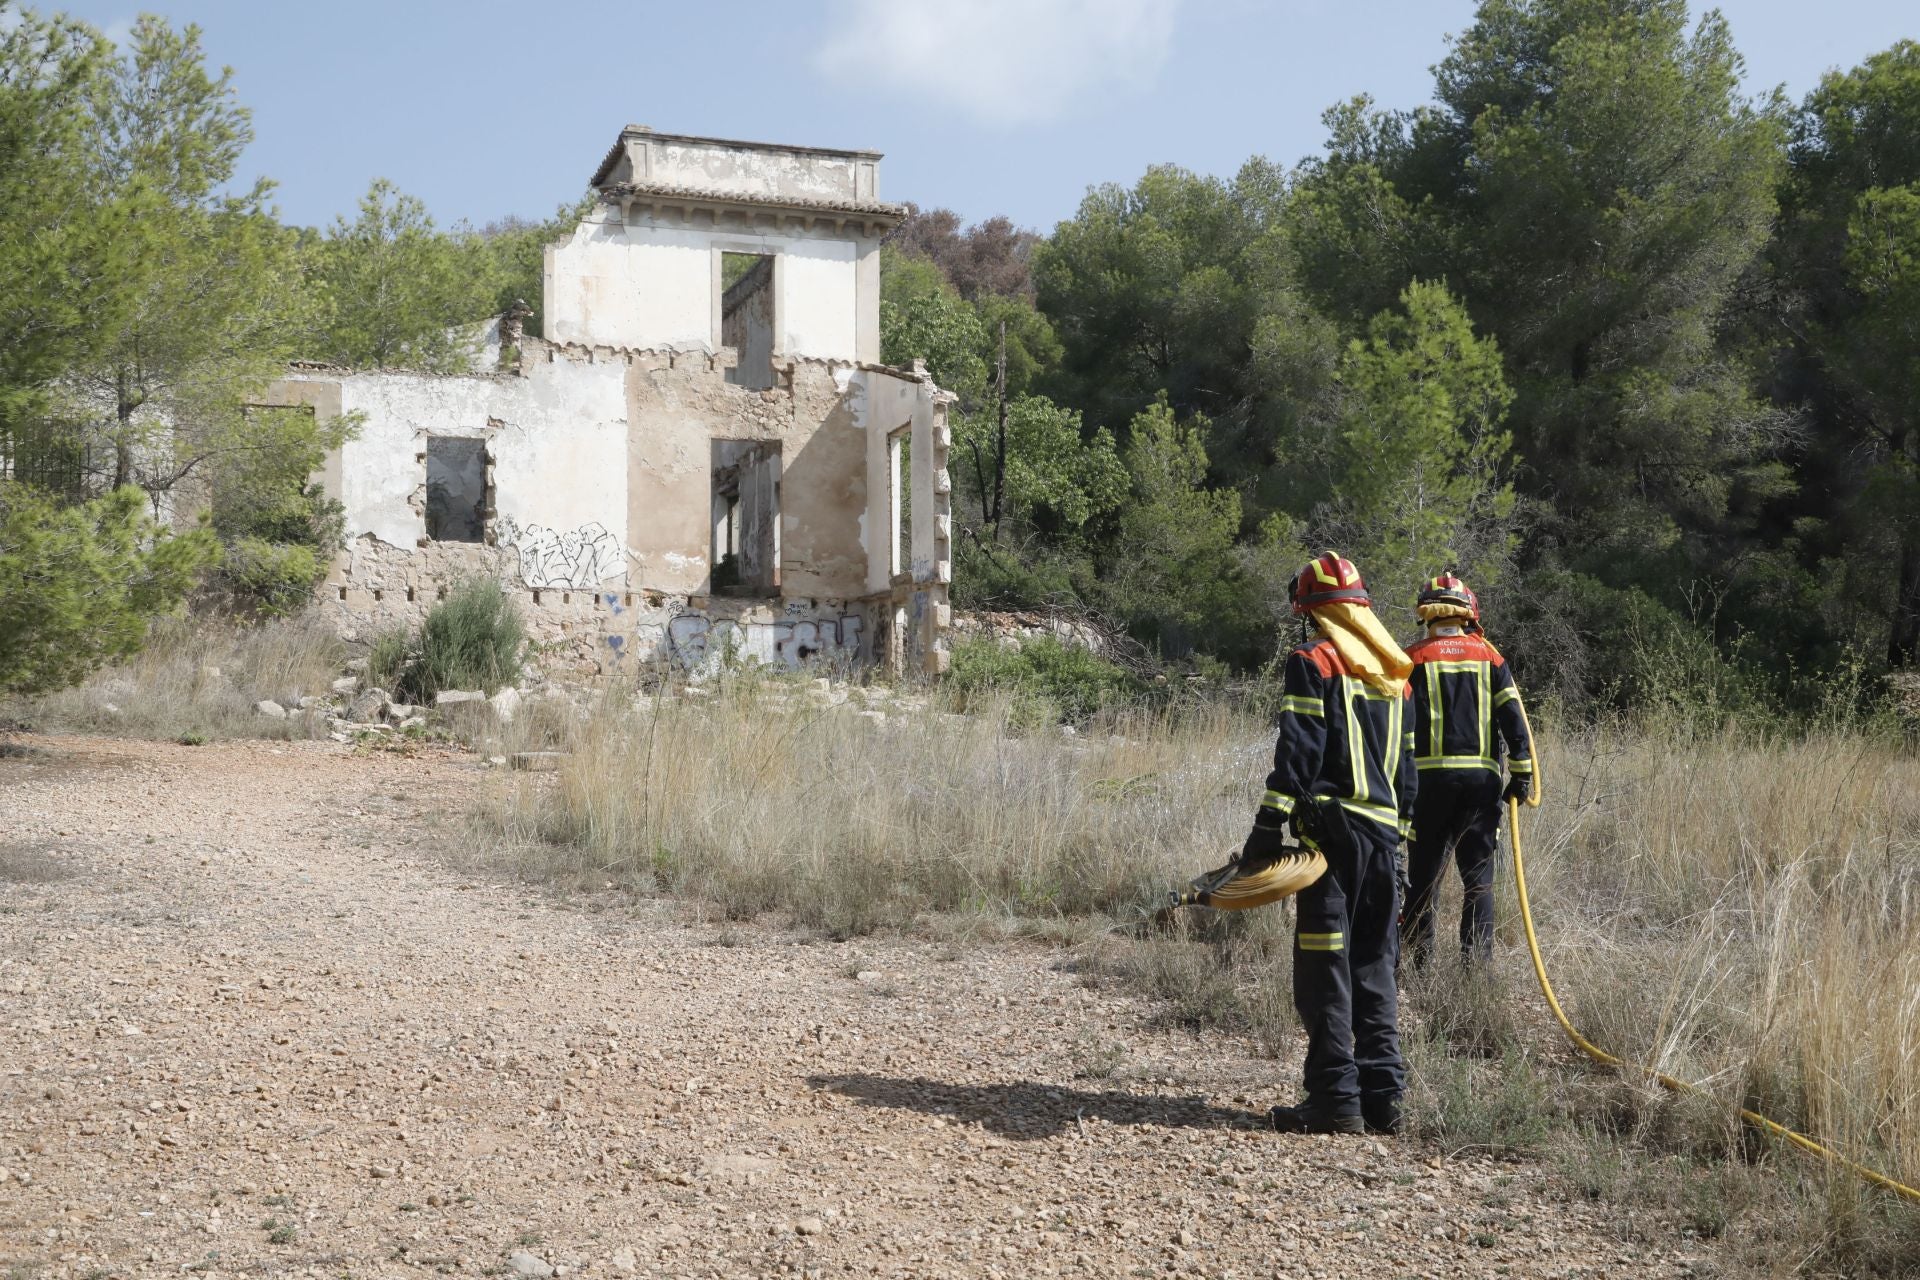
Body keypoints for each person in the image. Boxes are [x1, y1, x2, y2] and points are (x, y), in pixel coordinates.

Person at [1243, 553, 1417, 1137]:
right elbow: (1408, 776)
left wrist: (1267, 829)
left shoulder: (1313, 661)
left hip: (1333, 846)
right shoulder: (1395, 674)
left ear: (1312, 613)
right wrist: (1400, 842)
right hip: (1385, 841)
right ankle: (1384, 1100)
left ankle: (1335, 1101)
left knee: (1325, 970)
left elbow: (1297, 754)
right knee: (1375, 964)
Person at [1401, 571, 1535, 969]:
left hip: (1426, 784)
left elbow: (1395, 724)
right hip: (1480, 784)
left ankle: (1421, 966)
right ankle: (1476, 971)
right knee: (1478, 879)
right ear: (1469, 614)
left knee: (1423, 878)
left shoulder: (1412, 658)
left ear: (1427, 614)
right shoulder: (1489, 657)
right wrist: (1521, 776)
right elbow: (1515, 719)